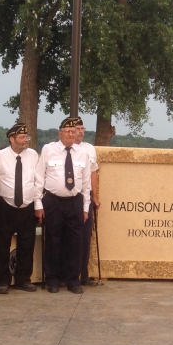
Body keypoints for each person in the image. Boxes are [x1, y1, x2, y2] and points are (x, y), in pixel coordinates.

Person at [36, 116, 92, 293]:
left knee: (75, 242)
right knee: (53, 240)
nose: (71, 134)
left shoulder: (83, 153)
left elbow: (86, 183)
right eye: (67, 131)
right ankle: (52, 279)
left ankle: (73, 280)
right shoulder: (48, 149)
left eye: (73, 132)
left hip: (74, 202)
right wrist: (38, 204)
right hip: (53, 201)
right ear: (59, 134)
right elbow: (39, 177)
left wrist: (85, 207)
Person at [0, 123, 41, 293]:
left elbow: (37, 181)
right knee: (1, 245)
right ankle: (2, 281)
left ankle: (23, 279)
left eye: (26, 136)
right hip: (5, 206)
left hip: (27, 206)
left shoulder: (33, 155)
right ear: (11, 139)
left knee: (27, 244)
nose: (25, 140)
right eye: (21, 137)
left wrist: (38, 204)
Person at [72, 118, 101, 287]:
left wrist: (95, 196)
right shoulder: (61, 149)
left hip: (86, 198)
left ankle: (83, 274)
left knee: (84, 237)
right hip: (69, 197)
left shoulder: (89, 148)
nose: (81, 131)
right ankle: (67, 274)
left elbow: (93, 173)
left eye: (82, 128)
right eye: (77, 128)